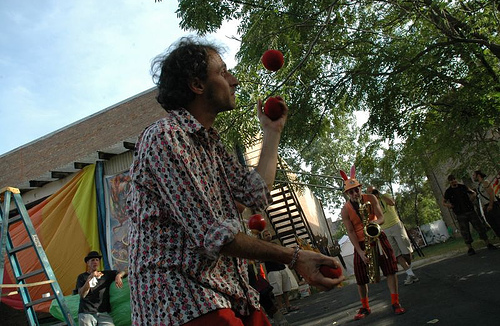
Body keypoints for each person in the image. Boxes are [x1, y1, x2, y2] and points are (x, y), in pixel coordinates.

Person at [126, 37, 344, 326]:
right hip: (180, 301)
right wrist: (295, 257)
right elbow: (214, 235)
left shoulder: (211, 144)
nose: (235, 80)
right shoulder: (165, 137)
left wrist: (272, 133)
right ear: (197, 85)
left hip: (225, 292)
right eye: (224, 72)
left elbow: (255, 193)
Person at [340, 167, 406, 321]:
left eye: (356, 190)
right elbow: (350, 232)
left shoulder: (371, 198)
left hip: (377, 238)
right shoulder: (345, 210)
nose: (355, 194)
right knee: (361, 277)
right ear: (347, 194)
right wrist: (360, 252)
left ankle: (395, 302)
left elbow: (381, 217)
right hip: (361, 244)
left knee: (390, 270)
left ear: (360, 188)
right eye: (351, 192)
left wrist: (373, 223)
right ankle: (365, 306)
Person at [366, 186, 419, 286]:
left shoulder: (385, 196)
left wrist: (380, 195)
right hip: (384, 229)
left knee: (406, 252)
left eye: (373, 191)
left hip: (396, 225)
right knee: (396, 254)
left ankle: (410, 271)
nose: (372, 194)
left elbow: (392, 203)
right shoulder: (371, 204)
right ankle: (410, 274)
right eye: (370, 193)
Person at [442, 174, 497, 255]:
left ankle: (488, 243)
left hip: (470, 211)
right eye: (451, 180)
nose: (453, 181)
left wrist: (472, 198)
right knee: (465, 231)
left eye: (454, 179)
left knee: (479, 227)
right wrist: (448, 205)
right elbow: (444, 202)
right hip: (460, 214)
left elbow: (473, 193)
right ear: (449, 182)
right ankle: (470, 248)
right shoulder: (448, 192)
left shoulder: (462, 187)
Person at [75, 251, 127, 326]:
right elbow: (82, 294)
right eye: (92, 260)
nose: (95, 262)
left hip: (103, 313)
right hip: (86, 313)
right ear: (87, 263)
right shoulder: (82, 277)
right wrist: (90, 278)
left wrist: (119, 275)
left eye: (97, 260)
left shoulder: (106, 275)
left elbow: (126, 271)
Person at [259, 229, 300, 315]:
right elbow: (261, 259)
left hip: (281, 268)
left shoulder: (275, 244)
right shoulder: (262, 246)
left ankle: (288, 306)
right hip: (273, 271)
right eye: (266, 235)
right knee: (277, 291)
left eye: (269, 234)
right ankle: (281, 309)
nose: (268, 236)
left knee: (286, 289)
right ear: (263, 238)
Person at [473, 170, 500, 237]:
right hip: (486, 207)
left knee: (498, 223)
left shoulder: (486, 182)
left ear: (478, 175)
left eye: (474, 175)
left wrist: (490, 205)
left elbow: (491, 194)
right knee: (494, 225)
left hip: (493, 205)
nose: (473, 177)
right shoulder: (479, 186)